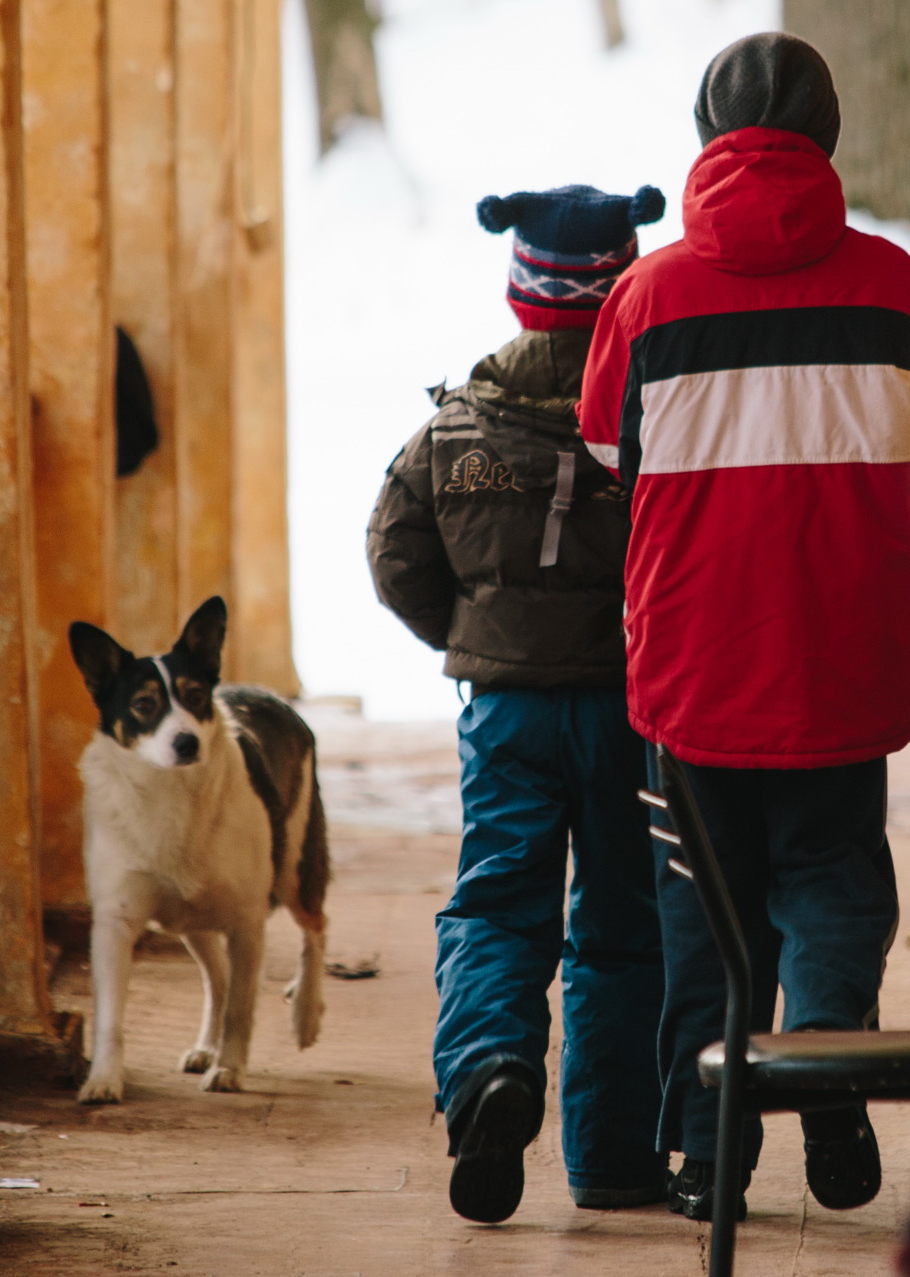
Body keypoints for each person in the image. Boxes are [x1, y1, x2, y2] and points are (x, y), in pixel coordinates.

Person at [576, 32, 910, 1221]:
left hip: (695, 667)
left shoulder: (647, 295)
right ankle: (827, 1061)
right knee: (835, 876)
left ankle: (706, 1148)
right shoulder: (896, 287)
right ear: (829, 138)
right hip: (841, 655)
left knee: (704, 906)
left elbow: (602, 451)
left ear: (705, 138)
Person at [367, 182, 671, 1223]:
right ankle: (616, 1155)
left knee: (499, 901)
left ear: (520, 294)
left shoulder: (455, 427)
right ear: (624, 285)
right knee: (625, 926)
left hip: (506, 717)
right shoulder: (653, 422)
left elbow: (395, 550)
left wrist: (476, 633)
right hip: (633, 714)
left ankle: (492, 1067)